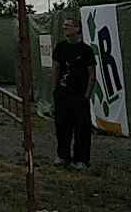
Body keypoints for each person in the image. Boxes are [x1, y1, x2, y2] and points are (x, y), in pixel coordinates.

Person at [51, 16, 97, 169]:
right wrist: (55, 90)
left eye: (68, 25)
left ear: (77, 29)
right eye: (64, 25)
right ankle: (62, 156)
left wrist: (87, 95)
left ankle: (81, 159)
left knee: (82, 128)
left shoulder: (86, 50)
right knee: (62, 126)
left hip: (79, 94)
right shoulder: (60, 47)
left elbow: (91, 73)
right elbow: (56, 68)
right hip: (63, 93)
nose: (65, 27)